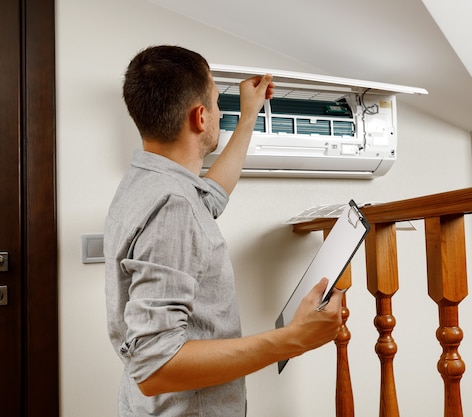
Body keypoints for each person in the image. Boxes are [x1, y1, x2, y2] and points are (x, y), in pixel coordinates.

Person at [104, 45, 343, 416]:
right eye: (217, 102)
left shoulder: (147, 181)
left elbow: (208, 199)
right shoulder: (174, 207)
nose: (218, 112)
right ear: (200, 117)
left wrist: (249, 116)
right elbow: (155, 364)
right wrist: (293, 339)